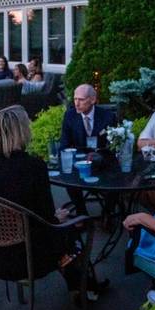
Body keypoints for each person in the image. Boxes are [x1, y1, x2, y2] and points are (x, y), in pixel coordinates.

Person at [0, 105, 107, 302]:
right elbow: (47, 219)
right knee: (70, 229)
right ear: (22, 130)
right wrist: (57, 217)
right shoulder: (34, 166)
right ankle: (84, 287)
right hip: (25, 258)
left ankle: (82, 287)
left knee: (62, 232)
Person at [59, 84, 118, 215]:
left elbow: (113, 146)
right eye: (75, 99)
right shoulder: (70, 116)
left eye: (81, 99)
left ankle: (107, 214)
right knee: (69, 179)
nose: (76, 103)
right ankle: (81, 212)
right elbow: (64, 145)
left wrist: (99, 155)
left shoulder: (108, 116)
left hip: (102, 161)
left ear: (92, 99)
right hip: (78, 162)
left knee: (116, 178)